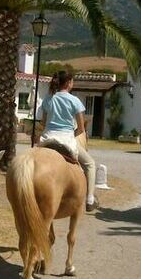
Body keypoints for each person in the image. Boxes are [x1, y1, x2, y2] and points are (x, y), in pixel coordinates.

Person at [39, 71, 99, 212]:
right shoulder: (75, 101)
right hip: (66, 138)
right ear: (68, 83)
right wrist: (73, 133)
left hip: (48, 137)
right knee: (90, 164)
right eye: (72, 81)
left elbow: (43, 122)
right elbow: (81, 128)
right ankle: (90, 198)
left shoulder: (48, 99)